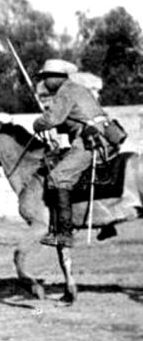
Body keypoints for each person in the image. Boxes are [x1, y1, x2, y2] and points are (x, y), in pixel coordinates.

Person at [31, 59, 116, 247]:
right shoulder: (79, 89)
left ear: (56, 78)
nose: (44, 82)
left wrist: (38, 123)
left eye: (46, 77)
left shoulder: (65, 92)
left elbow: (52, 119)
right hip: (106, 136)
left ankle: (65, 234)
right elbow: (75, 118)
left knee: (58, 176)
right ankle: (106, 221)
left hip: (89, 141)